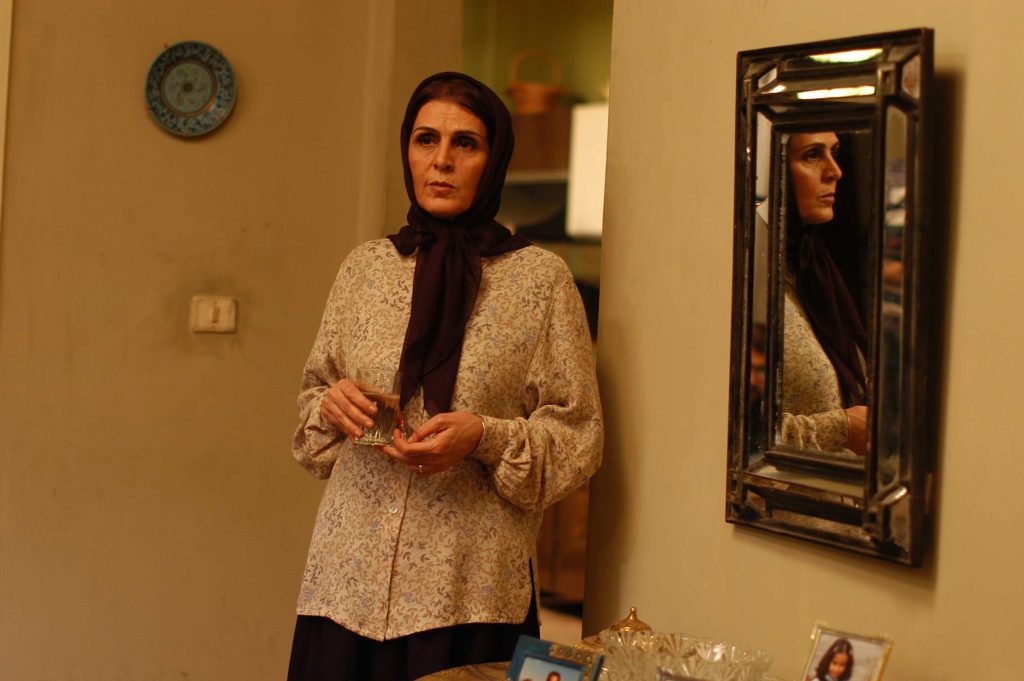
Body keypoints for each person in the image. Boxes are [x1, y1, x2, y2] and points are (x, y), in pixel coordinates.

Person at [286, 72, 603, 681]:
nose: (442, 160)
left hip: (467, 593)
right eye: (426, 139)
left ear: (495, 158)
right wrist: (333, 405)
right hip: (344, 584)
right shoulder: (364, 268)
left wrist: (483, 436)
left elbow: (579, 437)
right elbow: (313, 403)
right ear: (407, 149)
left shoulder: (541, 281)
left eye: (466, 143)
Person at [780, 131, 869, 457]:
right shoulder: (744, 279)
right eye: (813, 155)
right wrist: (839, 429)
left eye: (834, 152)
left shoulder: (813, 267)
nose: (835, 171)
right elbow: (723, 429)